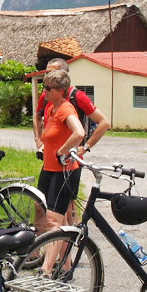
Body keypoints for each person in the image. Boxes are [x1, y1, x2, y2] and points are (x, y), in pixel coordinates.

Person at [33, 58, 111, 228]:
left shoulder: (77, 97)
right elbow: (37, 116)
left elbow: (104, 122)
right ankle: (36, 250)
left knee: (66, 208)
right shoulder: (47, 96)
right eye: (46, 73)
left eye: (52, 73)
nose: (48, 76)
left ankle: (69, 244)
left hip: (67, 160)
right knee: (40, 204)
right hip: (50, 159)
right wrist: (38, 140)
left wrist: (85, 147)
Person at [37, 69, 85, 275]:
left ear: (60, 91)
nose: (44, 91)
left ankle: (45, 270)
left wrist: (62, 151)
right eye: (44, 87)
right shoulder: (51, 108)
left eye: (48, 88)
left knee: (54, 221)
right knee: (60, 221)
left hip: (64, 172)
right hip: (49, 170)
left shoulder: (66, 109)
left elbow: (79, 132)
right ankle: (66, 266)